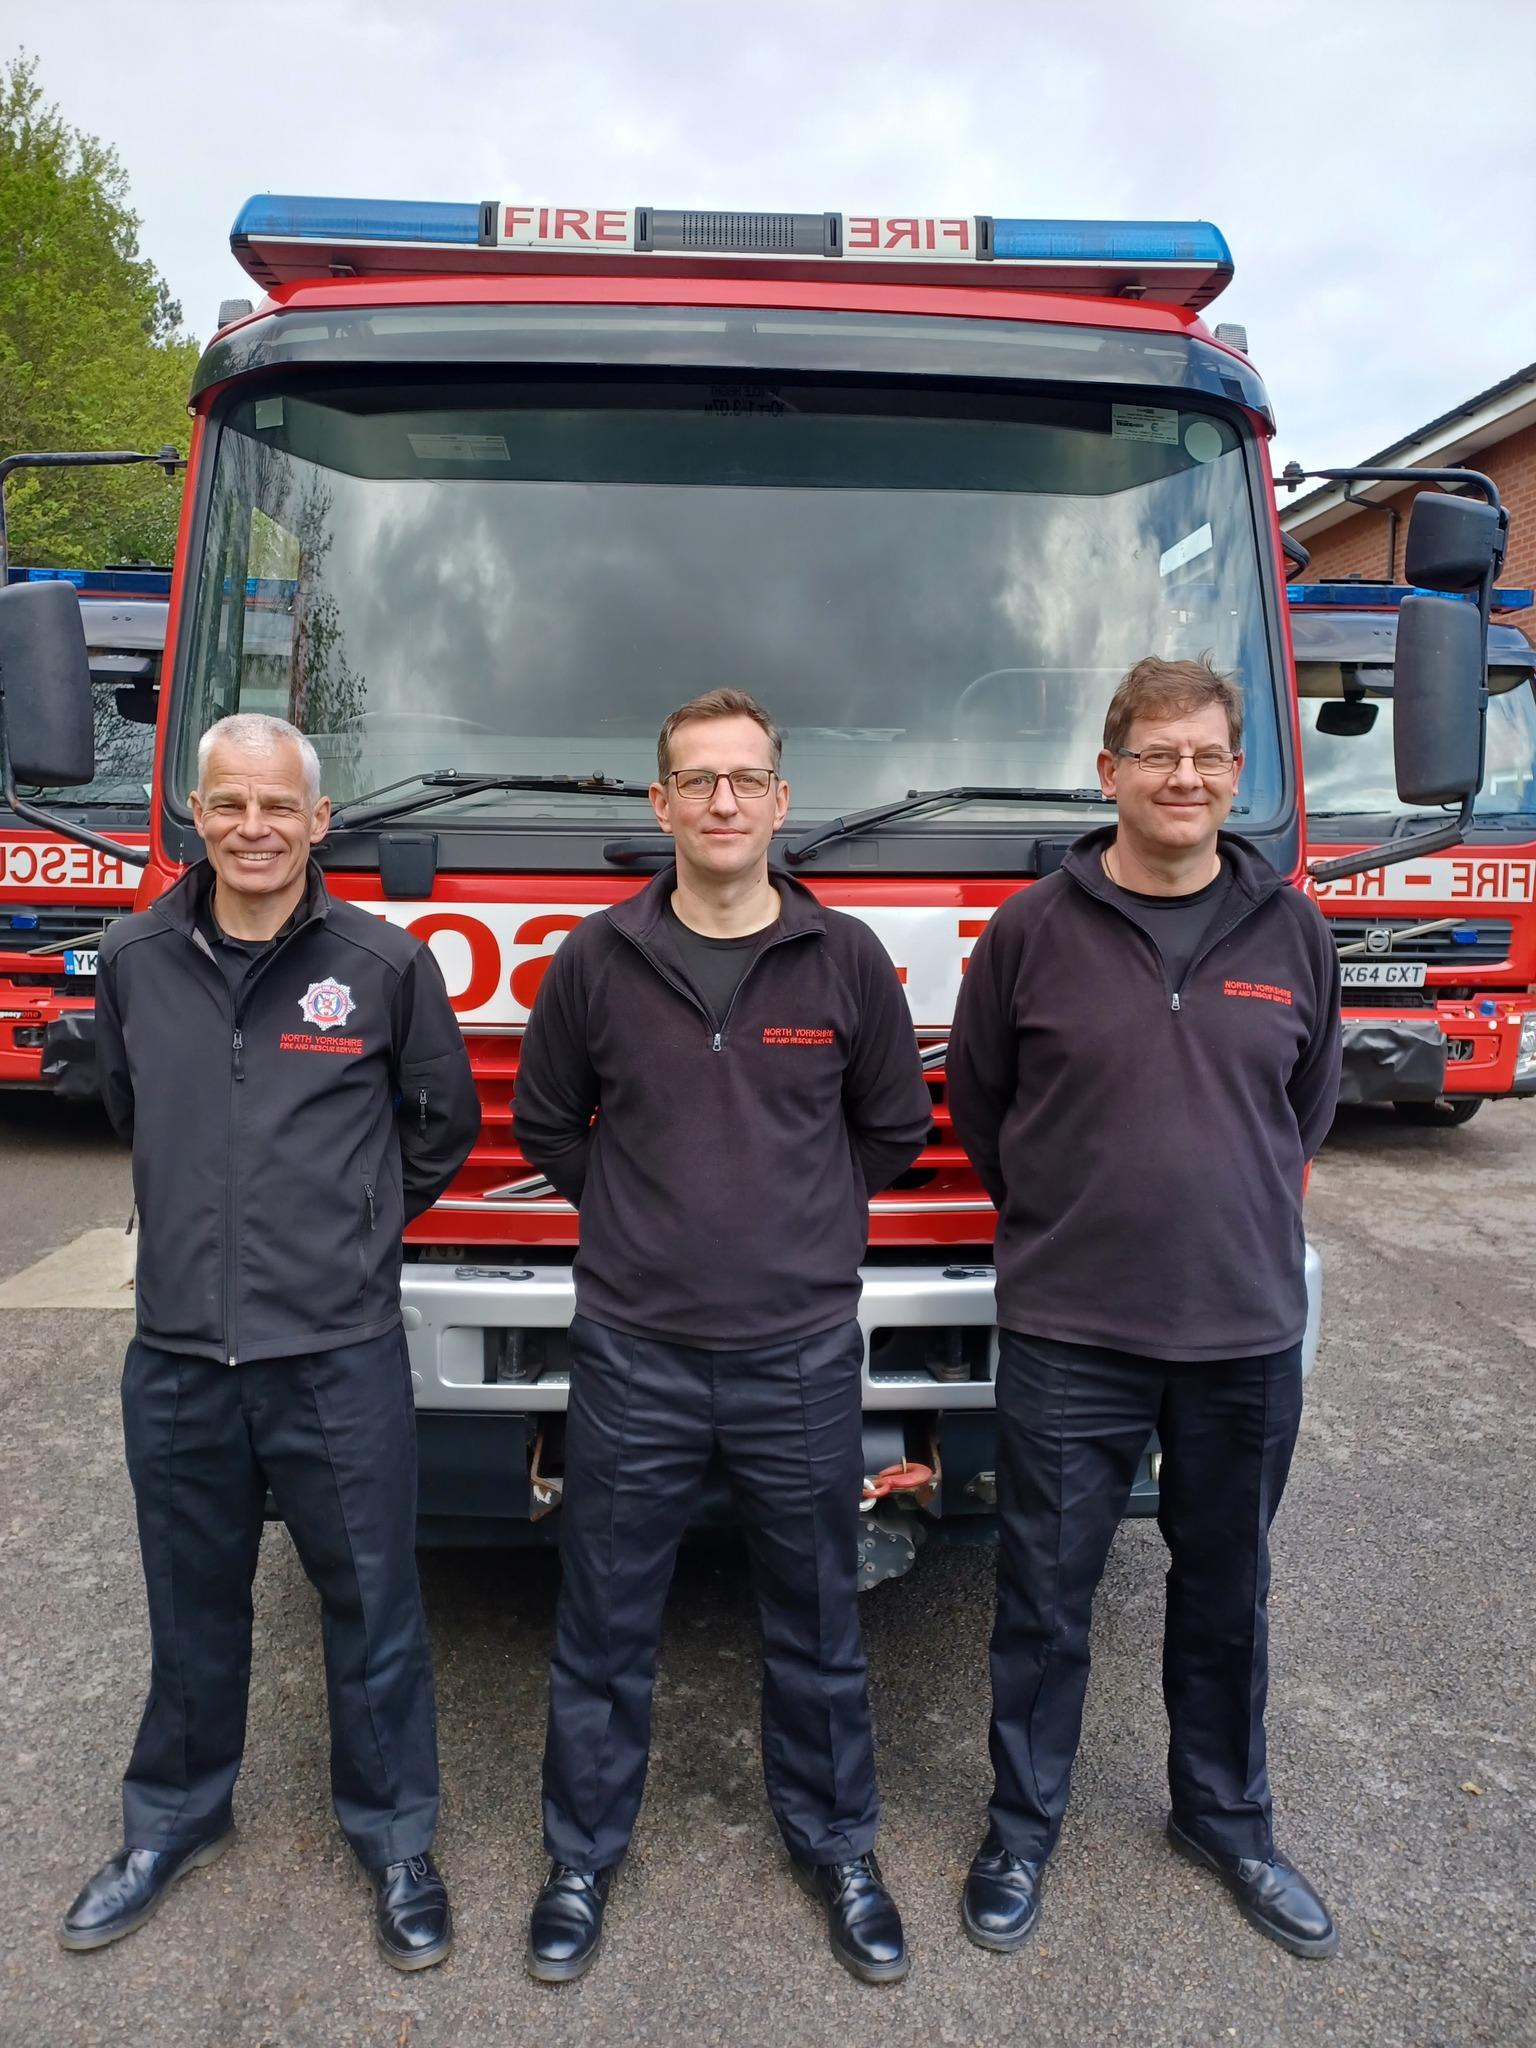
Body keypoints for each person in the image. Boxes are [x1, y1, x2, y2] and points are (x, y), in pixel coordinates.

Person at [512, 688, 932, 1986]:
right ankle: (581, 1857)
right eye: (697, 780)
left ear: (780, 800)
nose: (723, 802)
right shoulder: (597, 960)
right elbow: (546, 1128)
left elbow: (892, 1132)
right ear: (662, 803)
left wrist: (792, 1231)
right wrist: (649, 1227)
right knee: (605, 1619)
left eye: (746, 779)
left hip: (797, 1353)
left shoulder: (845, 960)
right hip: (634, 1351)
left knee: (816, 1618)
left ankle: (840, 1845)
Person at [61, 713, 480, 1970]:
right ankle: (174, 1818)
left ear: (319, 820)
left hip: (336, 1352)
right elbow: (131, 1103)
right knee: (190, 1603)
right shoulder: (133, 953)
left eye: (277, 807)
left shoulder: (385, 962)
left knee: (373, 1605)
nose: (254, 828)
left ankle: (397, 1835)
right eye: (229, 804)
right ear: (196, 810)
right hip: (181, 1353)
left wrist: (351, 1233)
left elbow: (439, 1122)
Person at [947, 656, 1343, 1962]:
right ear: (1109, 772)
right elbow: (990, 1115)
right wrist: (1074, 1222)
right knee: (1046, 1597)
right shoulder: (1030, 934)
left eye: (1209, 758)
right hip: (1072, 1330)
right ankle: (1021, 1829)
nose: (1185, 780)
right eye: (1158, 757)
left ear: (1239, 774)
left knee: (1227, 1588)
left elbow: (1305, 1112)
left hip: (1241, 1331)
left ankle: (1225, 1819)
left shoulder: (1292, 934)